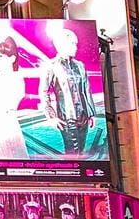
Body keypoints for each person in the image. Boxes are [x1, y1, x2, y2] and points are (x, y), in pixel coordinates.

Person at [39, 23, 97, 154]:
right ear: (62, 45)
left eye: (75, 44)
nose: (75, 47)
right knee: (72, 153)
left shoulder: (80, 66)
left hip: (84, 116)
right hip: (66, 117)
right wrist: (51, 116)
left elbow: (86, 89)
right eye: (72, 44)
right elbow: (43, 92)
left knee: (80, 151)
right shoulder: (52, 66)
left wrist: (91, 113)